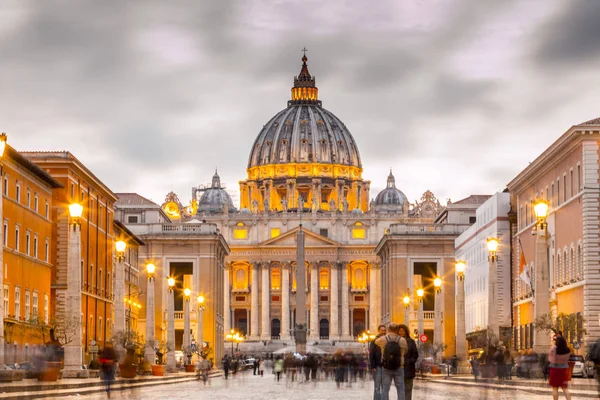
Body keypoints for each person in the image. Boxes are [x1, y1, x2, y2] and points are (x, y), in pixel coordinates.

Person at [375, 322, 408, 400]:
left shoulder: (383, 339)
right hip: (399, 366)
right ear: (397, 330)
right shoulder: (402, 340)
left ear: (388, 329)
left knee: (385, 389)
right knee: (400, 389)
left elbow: (376, 341)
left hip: (387, 367)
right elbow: (405, 350)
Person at [549, 336, 572, 400]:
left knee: (555, 388)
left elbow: (551, 359)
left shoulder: (554, 349)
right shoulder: (567, 349)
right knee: (565, 388)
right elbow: (568, 359)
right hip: (564, 370)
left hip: (554, 370)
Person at [399, 324, 418, 400]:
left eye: (403, 331)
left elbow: (415, 354)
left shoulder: (411, 341)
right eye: (399, 331)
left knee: (408, 388)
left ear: (406, 332)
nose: (401, 332)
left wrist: (410, 361)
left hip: (409, 368)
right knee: (400, 390)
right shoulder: (396, 341)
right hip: (399, 368)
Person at [370, 325, 386, 400]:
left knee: (385, 386)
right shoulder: (374, 341)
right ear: (379, 331)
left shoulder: (388, 340)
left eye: (384, 330)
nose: (383, 332)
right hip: (377, 366)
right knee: (377, 386)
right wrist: (373, 366)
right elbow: (371, 354)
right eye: (382, 330)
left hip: (386, 367)